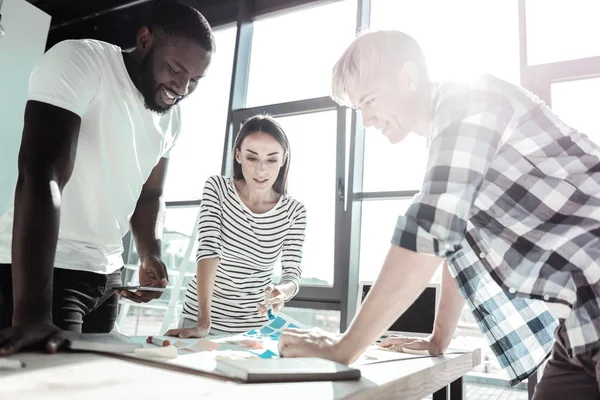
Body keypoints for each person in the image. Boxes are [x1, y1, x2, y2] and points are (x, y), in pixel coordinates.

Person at [279, 30, 600, 399]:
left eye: (369, 101)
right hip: (579, 316)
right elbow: (454, 243)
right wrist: (438, 338)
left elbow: (431, 230)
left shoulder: (469, 100)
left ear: (409, 77)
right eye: (358, 109)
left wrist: (344, 347)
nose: (366, 120)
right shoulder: (452, 139)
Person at [0, 2, 214, 354]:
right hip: (49, 273)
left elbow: (150, 195)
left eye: (195, 80)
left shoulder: (170, 119)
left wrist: (150, 254)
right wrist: (32, 314)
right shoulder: (80, 61)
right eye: (176, 69)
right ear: (145, 40)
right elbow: (42, 172)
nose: (183, 87)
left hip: (107, 280)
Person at [165, 115, 306, 338]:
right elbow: (208, 250)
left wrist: (282, 292)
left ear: (283, 159)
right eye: (252, 158)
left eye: (271, 159)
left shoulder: (294, 212)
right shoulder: (217, 188)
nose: (261, 170)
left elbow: (292, 273)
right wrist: (204, 320)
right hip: (199, 319)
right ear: (238, 155)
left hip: (252, 329)